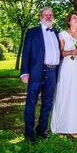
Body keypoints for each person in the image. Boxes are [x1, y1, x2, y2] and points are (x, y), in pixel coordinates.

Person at [20, 7, 61, 143]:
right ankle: (29, 133)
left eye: (51, 15)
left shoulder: (56, 32)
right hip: (36, 72)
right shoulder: (32, 32)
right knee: (31, 103)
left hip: (52, 72)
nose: (49, 17)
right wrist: (24, 72)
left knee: (47, 103)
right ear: (40, 17)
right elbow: (26, 53)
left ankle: (41, 131)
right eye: (46, 15)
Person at [50, 12, 77, 136]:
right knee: (67, 93)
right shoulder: (62, 34)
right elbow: (61, 53)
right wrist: (71, 52)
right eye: (74, 18)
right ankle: (62, 127)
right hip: (68, 66)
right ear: (69, 21)